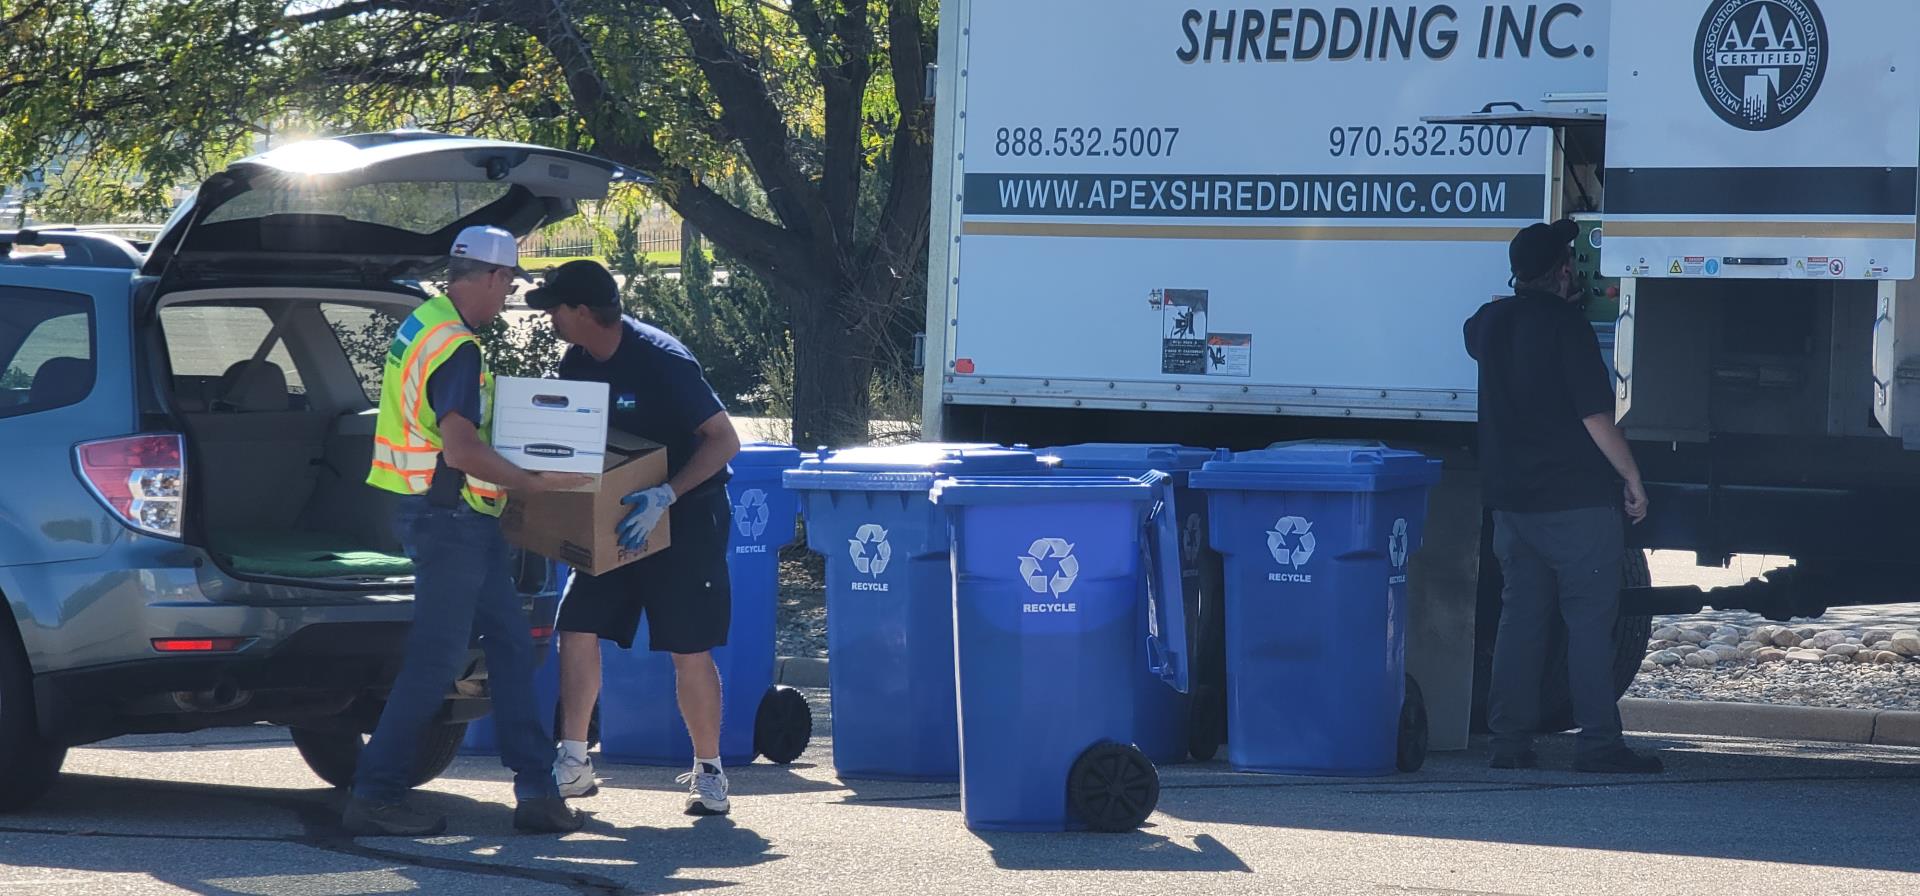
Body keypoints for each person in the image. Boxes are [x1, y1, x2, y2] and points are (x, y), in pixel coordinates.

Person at [347, 226, 594, 836]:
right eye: (508, 283)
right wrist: (529, 483)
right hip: (449, 519)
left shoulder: (423, 321)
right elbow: (459, 449)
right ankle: (375, 795)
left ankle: (536, 791)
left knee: (511, 647)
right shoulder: (458, 345)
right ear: (489, 277)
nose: (507, 296)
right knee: (435, 663)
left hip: (447, 518)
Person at [527, 259, 744, 815]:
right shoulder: (576, 360)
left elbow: (723, 441)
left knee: (687, 647)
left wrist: (666, 495)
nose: (548, 316)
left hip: (685, 513)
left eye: (555, 307)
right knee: (576, 626)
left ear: (582, 311)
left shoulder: (662, 360)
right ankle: (573, 761)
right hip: (613, 514)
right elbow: (569, 443)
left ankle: (709, 772)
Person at [1464, 219, 1662, 775]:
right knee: (1588, 624)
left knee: (1521, 621)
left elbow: (1478, 325)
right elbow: (1595, 418)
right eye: (1569, 261)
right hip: (1574, 506)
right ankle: (1598, 744)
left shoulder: (1489, 323)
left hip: (1513, 508)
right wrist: (1632, 477)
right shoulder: (1566, 330)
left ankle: (1509, 743)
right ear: (1560, 271)